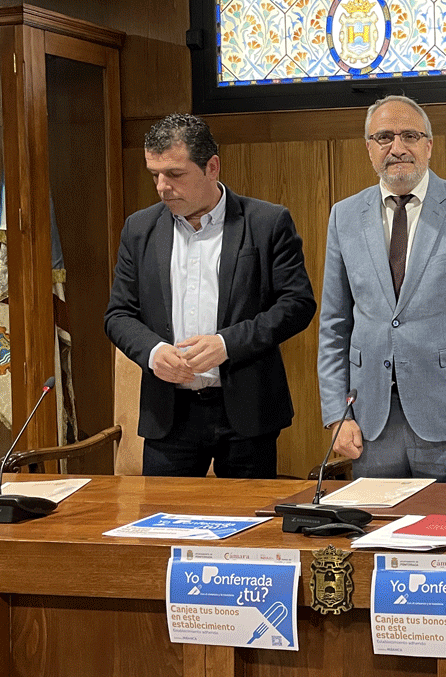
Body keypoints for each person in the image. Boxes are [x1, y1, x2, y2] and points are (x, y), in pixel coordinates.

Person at [317, 95, 446, 483]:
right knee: (374, 534)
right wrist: (335, 416)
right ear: (369, 150)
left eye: (410, 135)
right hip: (371, 424)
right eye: (384, 137)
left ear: (428, 145)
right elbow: (333, 326)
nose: (397, 148)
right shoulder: (344, 215)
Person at [104, 114, 316, 478]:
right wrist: (154, 353)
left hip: (247, 411)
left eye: (174, 174)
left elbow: (297, 304)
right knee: (162, 527)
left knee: (247, 526)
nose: (162, 186)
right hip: (169, 414)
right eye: (154, 174)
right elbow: (118, 315)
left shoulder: (266, 222)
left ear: (212, 167)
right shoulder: (139, 229)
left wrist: (227, 343)